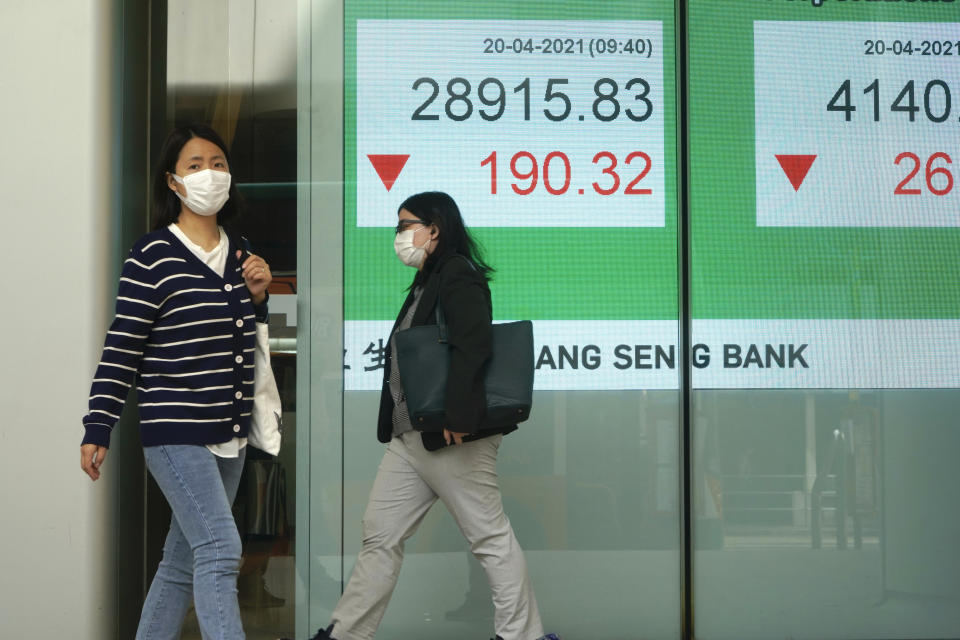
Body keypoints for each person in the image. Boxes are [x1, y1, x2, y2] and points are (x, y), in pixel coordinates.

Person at [293, 192, 558, 640]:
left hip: (450, 434)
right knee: (380, 536)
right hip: (411, 437)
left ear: (433, 228)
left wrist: (458, 415)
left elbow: (473, 344)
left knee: (489, 536)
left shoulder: (457, 272)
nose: (398, 236)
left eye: (404, 225)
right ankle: (345, 635)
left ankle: (524, 636)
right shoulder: (426, 280)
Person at [80, 123, 272, 640]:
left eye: (217, 162)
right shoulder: (153, 255)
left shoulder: (239, 253)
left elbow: (239, 341)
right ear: (172, 181)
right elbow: (124, 345)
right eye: (195, 165)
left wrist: (257, 297)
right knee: (220, 548)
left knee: (182, 561)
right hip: (174, 428)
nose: (210, 173)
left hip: (227, 432)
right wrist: (99, 425)